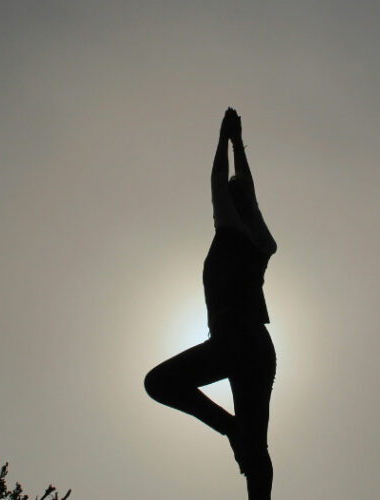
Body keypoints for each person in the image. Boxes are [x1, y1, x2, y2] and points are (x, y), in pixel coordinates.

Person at [145, 108, 278, 499]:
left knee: (159, 383)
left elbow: (223, 182)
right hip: (258, 346)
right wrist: (238, 142)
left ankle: (231, 428)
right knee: (257, 449)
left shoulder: (232, 230)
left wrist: (225, 140)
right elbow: (246, 189)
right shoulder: (261, 244)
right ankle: (243, 442)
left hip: (235, 338)